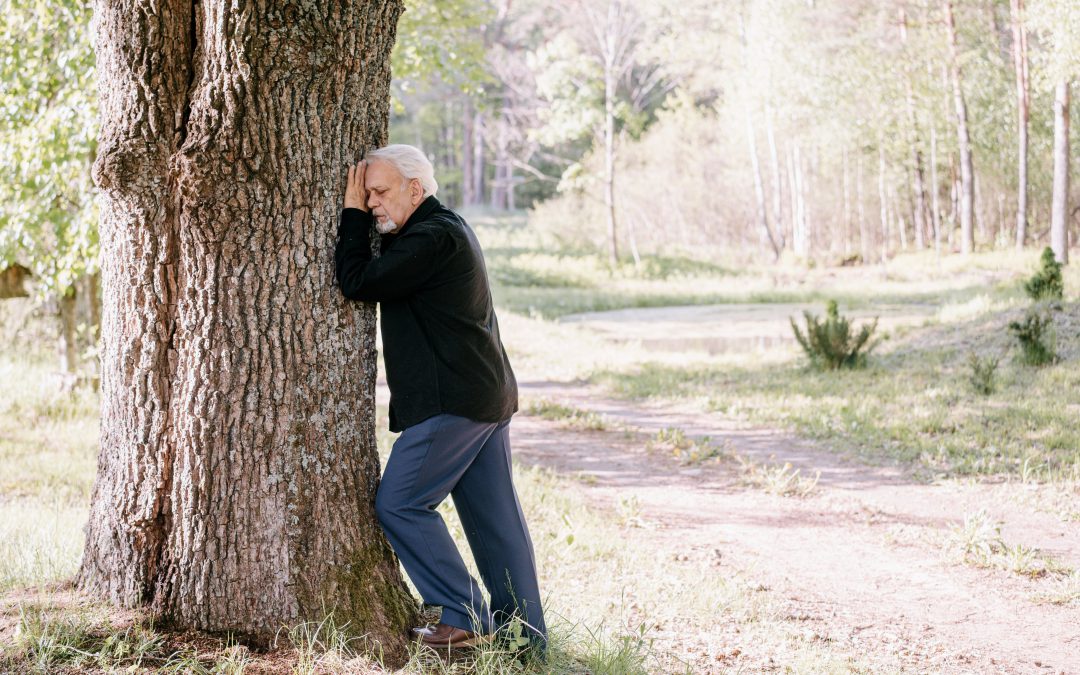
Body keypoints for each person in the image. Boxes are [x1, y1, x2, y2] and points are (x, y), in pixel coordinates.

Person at [334, 144, 547, 652]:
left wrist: (349, 215)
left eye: (380, 193)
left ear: (415, 187)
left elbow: (356, 280)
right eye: (366, 197)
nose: (373, 204)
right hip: (484, 394)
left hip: (456, 401)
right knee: (497, 525)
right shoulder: (443, 228)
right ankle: (526, 645)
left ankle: (465, 614)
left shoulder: (432, 237)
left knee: (401, 503)